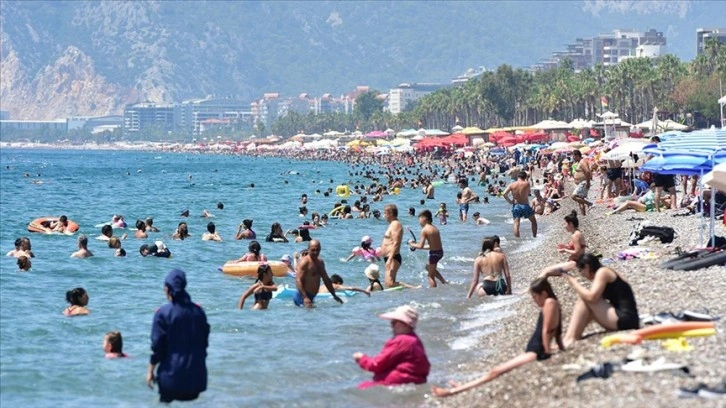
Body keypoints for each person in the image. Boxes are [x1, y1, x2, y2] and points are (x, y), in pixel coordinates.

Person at [432, 278, 564, 397]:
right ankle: (461, 387)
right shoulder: (553, 303)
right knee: (494, 371)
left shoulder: (549, 303)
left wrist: (546, 352)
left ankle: (452, 391)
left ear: (544, 294)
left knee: (495, 372)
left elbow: (547, 330)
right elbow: (555, 329)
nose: (534, 300)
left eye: (535, 297)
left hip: (537, 351)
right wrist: (559, 345)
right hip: (536, 348)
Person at [541, 253, 639, 348]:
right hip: (628, 319)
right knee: (587, 303)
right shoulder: (607, 271)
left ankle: (570, 339)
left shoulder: (603, 272)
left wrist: (571, 280)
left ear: (587, 266)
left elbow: (591, 297)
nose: (582, 275)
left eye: (581, 271)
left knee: (585, 299)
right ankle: (569, 338)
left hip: (625, 320)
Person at [147, 269, 209, 403]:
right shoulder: (199, 312)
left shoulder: (163, 313)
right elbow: (204, 343)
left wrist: (151, 369)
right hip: (197, 380)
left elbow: (157, 346)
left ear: (168, 289)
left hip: (171, 379)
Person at [353, 305, 430, 389]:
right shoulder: (414, 339)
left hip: (396, 382)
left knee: (359, 388)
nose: (391, 325)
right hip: (413, 381)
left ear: (405, 324)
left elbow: (376, 365)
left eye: (394, 322)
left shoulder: (401, 341)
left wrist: (361, 358)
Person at [294, 240, 342, 307]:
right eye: (313, 250)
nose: (315, 252)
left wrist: (334, 295)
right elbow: (298, 280)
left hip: (311, 297)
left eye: (317, 250)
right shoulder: (304, 262)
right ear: (308, 249)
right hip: (301, 297)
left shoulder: (320, 262)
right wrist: (305, 297)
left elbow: (326, 279)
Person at [408, 210, 447, 287]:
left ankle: (433, 291)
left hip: (434, 254)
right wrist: (415, 245)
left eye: (419, 220)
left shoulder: (425, 230)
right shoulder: (434, 228)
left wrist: (411, 244)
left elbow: (420, 246)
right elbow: (432, 246)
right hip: (439, 252)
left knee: (430, 276)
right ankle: (444, 282)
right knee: (428, 267)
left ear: (424, 219)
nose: (419, 222)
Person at [502, 171, 537, 238]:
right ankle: (534, 237)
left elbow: (504, 194)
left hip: (516, 206)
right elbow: (529, 193)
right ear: (525, 177)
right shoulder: (526, 183)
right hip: (525, 205)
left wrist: (510, 201)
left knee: (516, 224)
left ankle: (517, 240)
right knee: (533, 221)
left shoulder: (511, 185)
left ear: (518, 177)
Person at [381, 204, 404, 288]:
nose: (384, 216)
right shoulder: (392, 224)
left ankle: (412, 289)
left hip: (393, 257)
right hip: (389, 257)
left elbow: (396, 242)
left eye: (385, 213)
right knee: (389, 284)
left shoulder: (395, 224)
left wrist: (390, 259)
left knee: (389, 284)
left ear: (390, 213)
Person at [571, 149, 594, 215]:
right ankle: (583, 215)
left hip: (583, 183)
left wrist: (588, 182)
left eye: (574, 156)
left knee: (574, 197)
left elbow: (587, 171)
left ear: (577, 155)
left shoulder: (582, 161)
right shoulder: (579, 162)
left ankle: (590, 204)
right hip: (580, 183)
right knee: (580, 200)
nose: (573, 158)